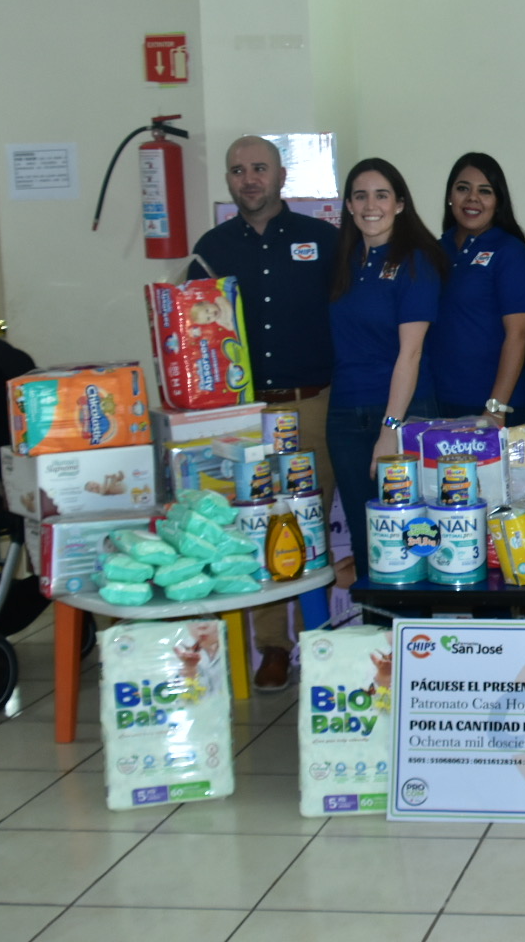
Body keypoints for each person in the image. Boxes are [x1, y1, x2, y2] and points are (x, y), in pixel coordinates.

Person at [188, 135, 339, 691]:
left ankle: (318, 637)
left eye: (259, 168)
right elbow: (191, 334)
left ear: (281, 176)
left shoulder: (324, 240)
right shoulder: (210, 249)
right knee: (258, 526)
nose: (249, 179)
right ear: (228, 181)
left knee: (311, 526)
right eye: (237, 171)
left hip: (315, 404)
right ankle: (273, 646)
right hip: (247, 415)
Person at [326, 158, 446, 584]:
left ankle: (415, 643)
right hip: (344, 415)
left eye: (381, 195)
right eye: (360, 195)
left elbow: (409, 355)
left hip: (402, 412)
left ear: (399, 204)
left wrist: (390, 427)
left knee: (410, 536)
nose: (370, 205)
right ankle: (377, 646)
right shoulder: (346, 258)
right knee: (366, 542)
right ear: (348, 205)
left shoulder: (416, 262)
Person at [425, 152, 525, 425]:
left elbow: (518, 334)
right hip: (438, 400)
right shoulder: (437, 250)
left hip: (492, 406)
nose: (472, 198)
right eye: (463, 189)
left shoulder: (510, 251)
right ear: (450, 196)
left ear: (497, 202)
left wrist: (496, 407)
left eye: (484, 191)